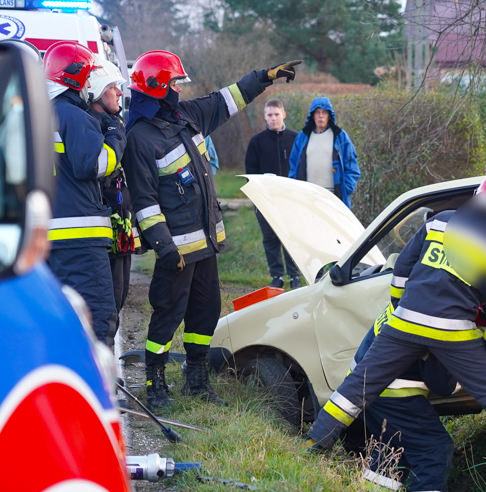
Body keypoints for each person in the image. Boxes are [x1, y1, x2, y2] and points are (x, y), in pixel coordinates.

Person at [306, 171, 486, 478]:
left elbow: (401, 270)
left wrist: (403, 309)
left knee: (359, 383)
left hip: (405, 321)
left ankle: (314, 445)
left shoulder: (440, 221)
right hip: (453, 330)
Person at [123, 49, 300, 409]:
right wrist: (163, 246)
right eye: (174, 83)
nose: (179, 89)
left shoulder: (185, 116)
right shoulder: (140, 138)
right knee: (168, 313)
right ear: (157, 86)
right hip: (177, 250)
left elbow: (226, 99)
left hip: (205, 244)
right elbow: (143, 199)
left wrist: (263, 77)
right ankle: (155, 383)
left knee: (205, 311)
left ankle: (196, 379)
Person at [350, 303, 459, 492]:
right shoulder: (438, 311)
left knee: (395, 446)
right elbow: (442, 384)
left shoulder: (420, 292)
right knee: (433, 449)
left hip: (363, 381)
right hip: (392, 389)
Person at [44, 41, 126, 345]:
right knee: (98, 315)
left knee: (59, 318)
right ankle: (95, 389)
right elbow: (96, 164)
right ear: (76, 77)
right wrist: (116, 136)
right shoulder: (74, 117)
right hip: (80, 239)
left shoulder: (39, 115)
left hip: (47, 239)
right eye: (89, 76)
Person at [88, 55, 139, 348]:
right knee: (106, 305)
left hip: (118, 229)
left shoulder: (111, 122)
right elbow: (101, 168)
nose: (120, 92)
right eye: (113, 87)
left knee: (118, 298)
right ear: (96, 89)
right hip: (101, 232)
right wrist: (116, 134)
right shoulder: (93, 125)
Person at [245, 98, 302, 289]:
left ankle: (295, 276)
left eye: (277, 114)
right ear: (264, 117)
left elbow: (302, 169)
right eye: (269, 115)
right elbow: (250, 172)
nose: (273, 118)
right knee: (270, 239)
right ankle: (277, 275)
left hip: (290, 200)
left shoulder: (296, 139)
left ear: (283, 114)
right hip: (265, 200)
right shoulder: (256, 142)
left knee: (291, 238)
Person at [288, 96, 360, 208]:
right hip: (308, 197)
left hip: (334, 198)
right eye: (317, 112)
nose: (321, 116)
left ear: (329, 116)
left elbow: (352, 166)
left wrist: (345, 189)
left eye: (324, 112)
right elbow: (293, 166)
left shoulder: (340, 136)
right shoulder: (302, 137)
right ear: (312, 115)